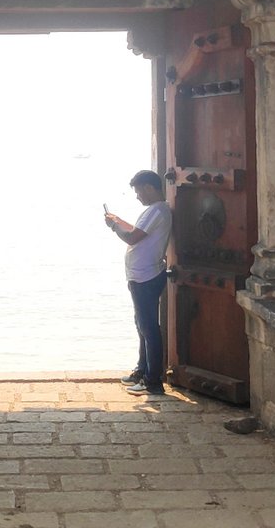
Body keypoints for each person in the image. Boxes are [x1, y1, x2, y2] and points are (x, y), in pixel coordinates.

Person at [104, 169, 172, 396]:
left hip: (146, 276)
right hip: (140, 275)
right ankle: (142, 370)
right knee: (142, 326)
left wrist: (114, 228)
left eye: (139, 191)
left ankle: (152, 381)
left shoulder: (157, 210)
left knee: (149, 328)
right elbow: (135, 230)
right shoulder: (154, 211)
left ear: (150, 188)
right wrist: (119, 220)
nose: (137, 196)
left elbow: (132, 237)